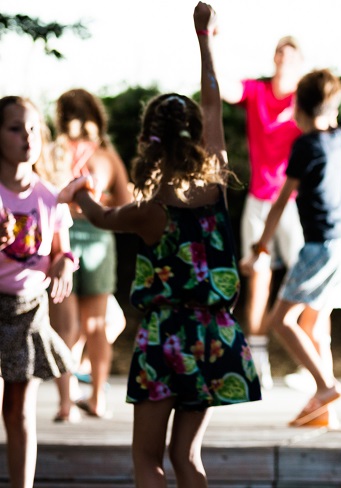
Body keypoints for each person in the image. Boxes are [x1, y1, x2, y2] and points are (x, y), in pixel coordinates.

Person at [58, 4, 262, 485]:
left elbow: (104, 217)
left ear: (149, 143)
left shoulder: (149, 211)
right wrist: (204, 38)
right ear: (194, 137)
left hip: (166, 341)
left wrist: (79, 191)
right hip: (216, 336)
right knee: (187, 457)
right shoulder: (215, 187)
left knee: (147, 459)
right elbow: (212, 103)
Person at [240, 68, 341, 428]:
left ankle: (325, 385)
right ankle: (324, 410)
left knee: (282, 321)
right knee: (318, 328)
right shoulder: (339, 137)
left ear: (298, 111)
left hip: (320, 247)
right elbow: (327, 115)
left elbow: (279, 202)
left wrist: (260, 246)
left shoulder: (304, 145)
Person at [219, 30, 307, 389]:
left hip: (294, 203)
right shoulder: (257, 91)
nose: (283, 61)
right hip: (259, 199)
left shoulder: (306, 99)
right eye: (279, 55)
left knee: (306, 283)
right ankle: (258, 364)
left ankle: (308, 361)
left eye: (291, 57)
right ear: (274, 59)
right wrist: (211, 43)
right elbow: (224, 89)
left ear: (301, 64)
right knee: (258, 279)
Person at [0, 95, 76, 488]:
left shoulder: (49, 195)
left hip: (29, 308)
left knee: (19, 411)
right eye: (15, 128)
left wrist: (64, 261)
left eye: (33, 128)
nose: (26, 137)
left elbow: (62, 249)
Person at [49, 88, 133, 422]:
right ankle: (98, 398)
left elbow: (46, 197)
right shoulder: (106, 155)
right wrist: (98, 204)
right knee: (97, 327)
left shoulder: (54, 153)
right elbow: (126, 202)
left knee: (65, 330)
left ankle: (66, 404)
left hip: (61, 241)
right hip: (99, 238)